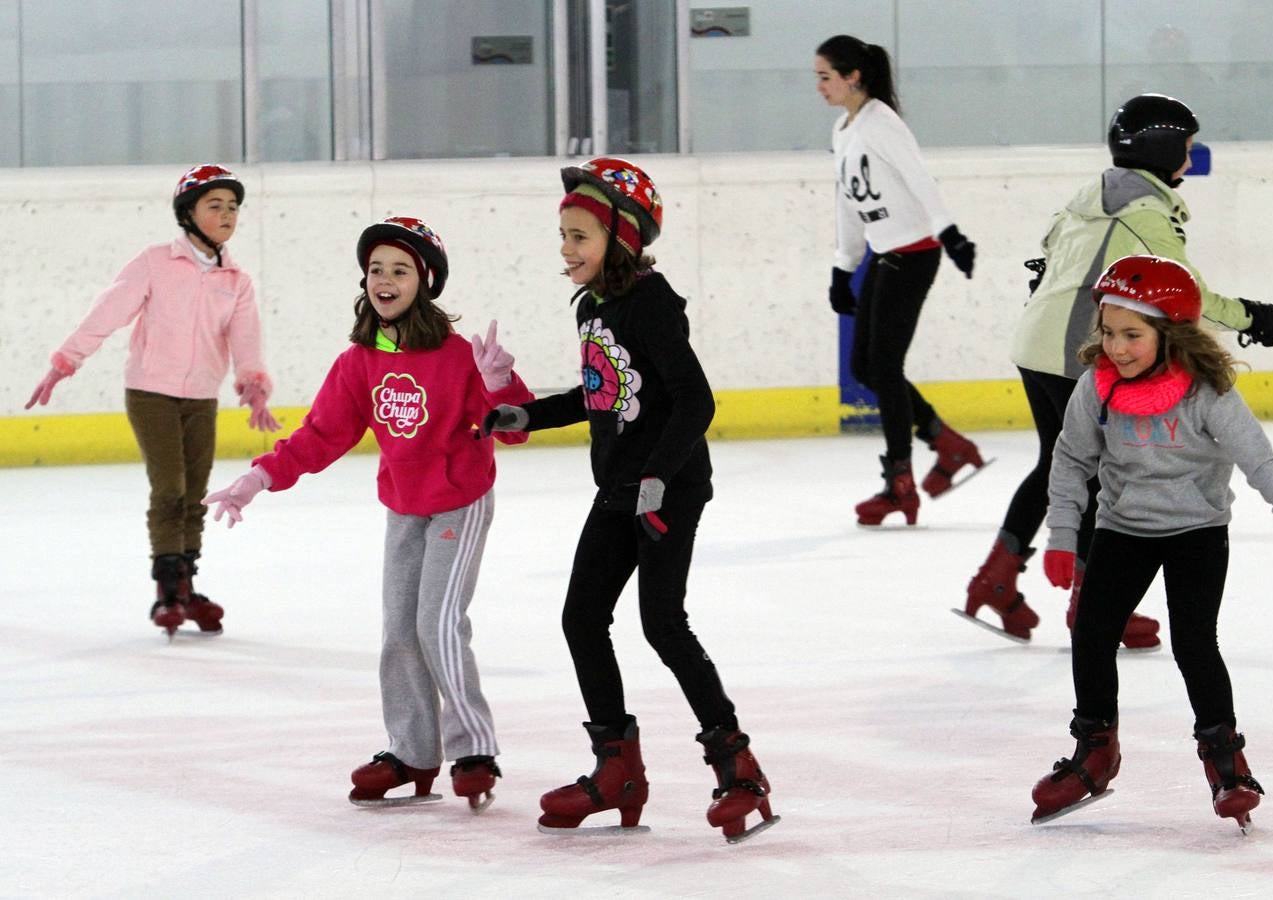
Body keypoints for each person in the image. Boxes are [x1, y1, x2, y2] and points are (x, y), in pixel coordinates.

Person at [484, 157, 779, 843]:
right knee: (582, 618)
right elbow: (600, 394)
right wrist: (526, 414)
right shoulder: (594, 306)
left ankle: (738, 769)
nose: (566, 249)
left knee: (661, 623)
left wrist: (657, 475)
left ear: (620, 237)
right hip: (618, 488)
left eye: (579, 236)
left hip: (666, 488)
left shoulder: (649, 302)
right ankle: (616, 767)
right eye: (563, 235)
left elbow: (693, 399)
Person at [202, 216, 533, 812]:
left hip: (460, 499)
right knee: (399, 630)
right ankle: (411, 751)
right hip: (404, 507)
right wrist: (257, 478)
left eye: (400, 270)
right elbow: (321, 434)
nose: (384, 279)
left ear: (424, 282)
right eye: (376, 269)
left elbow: (515, 431)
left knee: (437, 623)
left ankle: (474, 749)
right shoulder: (360, 361)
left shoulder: (459, 356)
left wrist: (499, 383)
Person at [960, 93, 1273, 645]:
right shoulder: (1146, 215)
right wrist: (1252, 317)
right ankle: (1092, 607)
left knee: (1058, 464)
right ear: (1161, 150)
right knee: (1095, 472)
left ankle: (996, 579)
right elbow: (1187, 294)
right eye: (1185, 146)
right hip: (1077, 352)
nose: (1190, 155)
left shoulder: (1087, 198)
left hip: (1035, 343)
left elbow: (1044, 264)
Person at [1028, 255, 1273, 830]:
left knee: (1195, 643)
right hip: (1123, 528)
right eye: (1109, 331)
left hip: (1197, 531)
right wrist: (1064, 534)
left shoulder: (1208, 395)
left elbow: (1264, 467)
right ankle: (1095, 750)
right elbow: (1069, 460)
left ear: (1171, 333)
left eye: (1132, 334)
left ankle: (1226, 761)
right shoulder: (1099, 387)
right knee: (1091, 632)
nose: (1116, 347)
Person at [24, 164, 280, 638]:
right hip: (150, 393)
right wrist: (65, 362)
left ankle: (187, 585)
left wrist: (253, 385)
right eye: (214, 206)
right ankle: (167, 588)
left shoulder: (236, 281)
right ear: (188, 212)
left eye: (233, 207)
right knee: (170, 488)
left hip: (202, 397)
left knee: (196, 494)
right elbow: (106, 313)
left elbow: (246, 340)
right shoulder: (155, 262)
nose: (227, 215)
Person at [815, 34, 984, 528]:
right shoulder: (843, 130)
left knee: (883, 366)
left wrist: (950, 234)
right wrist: (843, 267)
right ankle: (946, 444)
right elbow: (848, 202)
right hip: (884, 254)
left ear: (853, 77)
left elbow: (920, 180)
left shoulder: (881, 124)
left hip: (915, 254)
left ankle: (900, 485)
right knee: (866, 366)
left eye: (826, 76)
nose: (820, 86)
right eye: (818, 77)